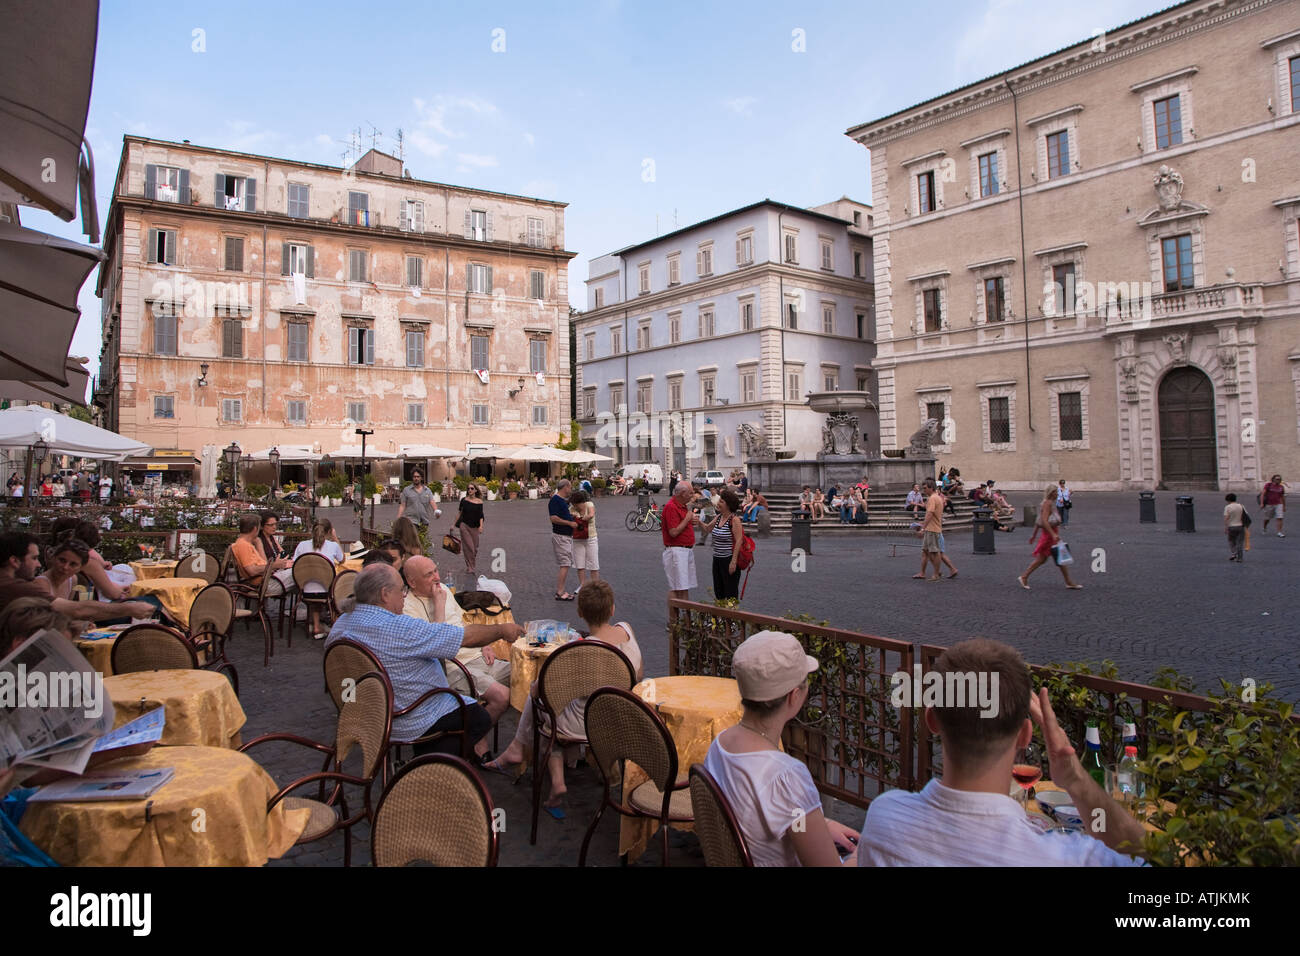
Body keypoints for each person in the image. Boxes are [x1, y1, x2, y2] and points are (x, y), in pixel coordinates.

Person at [859, 639, 1144, 866]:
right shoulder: (1070, 858)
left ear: (931, 720)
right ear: (1025, 735)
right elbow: (1147, 854)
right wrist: (1075, 778)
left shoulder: (884, 818)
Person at [327, 564, 522, 757]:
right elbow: (463, 638)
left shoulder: (341, 625)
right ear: (385, 594)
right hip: (408, 715)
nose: (403, 595)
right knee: (477, 718)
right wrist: (501, 630)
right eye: (401, 590)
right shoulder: (399, 627)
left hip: (365, 711)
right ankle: (430, 764)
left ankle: (433, 760)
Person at [705, 631, 859, 866]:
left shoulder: (720, 744)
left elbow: (772, 817)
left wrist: (821, 825)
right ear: (794, 696)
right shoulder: (786, 776)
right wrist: (866, 854)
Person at [486, 580, 641, 809]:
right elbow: (638, 675)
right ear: (612, 609)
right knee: (556, 702)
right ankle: (523, 752)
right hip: (619, 717)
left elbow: (541, 690)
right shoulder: (626, 630)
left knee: (543, 704)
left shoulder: (581, 651)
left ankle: (534, 762)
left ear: (580, 612)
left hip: (586, 723)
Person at [402, 555, 510, 759]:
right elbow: (437, 647)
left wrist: (484, 642)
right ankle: (469, 743)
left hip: (476, 655)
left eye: (435, 570)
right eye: (429, 575)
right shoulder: (408, 608)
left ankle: (523, 749)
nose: (436, 577)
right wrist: (439, 605)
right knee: (501, 696)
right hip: (453, 666)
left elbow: (463, 621)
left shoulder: (443, 589)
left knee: (525, 680)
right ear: (412, 582)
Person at [35, 538, 156, 623]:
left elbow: (67, 615)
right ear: (53, 558)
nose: (65, 567)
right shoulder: (41, 584)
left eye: (73, 564)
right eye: (62, 560)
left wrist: (81, 624)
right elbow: (75, 610)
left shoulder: (72, 579)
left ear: (80, 567)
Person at [1019, 486, 1082, 590]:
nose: (1057, 494)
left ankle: (1068, 582)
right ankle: (1024, 576)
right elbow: (1043, 520)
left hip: (1050, 534)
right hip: (1049, 536)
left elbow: (1039, 521)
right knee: (1046, 559)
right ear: (1052, 493)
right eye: (1056, 492)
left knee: (1057, 558)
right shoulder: (1048, 504)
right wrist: (1053, 534)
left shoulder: (1047, 503)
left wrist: (1034, 535)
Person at [294, 519, 345, 639]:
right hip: (326, 592)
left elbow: (295, 563)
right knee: (338, 585)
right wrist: (336, 538)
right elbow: (342, 559)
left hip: (305, 591)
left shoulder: (302, 545)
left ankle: (316, 624)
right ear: (328, 532)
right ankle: (335, 623)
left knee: (314, 584)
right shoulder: (332, 546)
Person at [700, 488, 744, 600]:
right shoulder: (718, 517)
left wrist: (733, 562)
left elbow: (739, 540)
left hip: (728, 559)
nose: (718, 503)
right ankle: (722, 616)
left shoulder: (734, 520)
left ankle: (732, 616)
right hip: (717, 559)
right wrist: (698, 521)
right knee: (719, 592)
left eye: (721, 502)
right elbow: (707, 528)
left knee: (730, 593)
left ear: (728, 505)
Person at [662, 480, 699, 601]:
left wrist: (690, 521)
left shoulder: (682, 506)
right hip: (677, 551)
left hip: (685, 550)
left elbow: (682, 525)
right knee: (677, 588)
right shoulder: (671, 507)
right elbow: (673, 532)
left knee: (684, 587)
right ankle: (676, 618)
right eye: (690, 493)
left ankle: (683, 618)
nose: (692, 495)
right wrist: (687, 519)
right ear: (683, 493)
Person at [232, 513, 291, 587]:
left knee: (299, 573)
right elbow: (252, 571)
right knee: (299, 573)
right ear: (255, 529)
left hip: (268, 578)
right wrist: (274, 565)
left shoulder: (245, 544)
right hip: (265, 584)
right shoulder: (243, 545)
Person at [0, 532, 54, 610]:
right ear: (14, 561)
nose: (39, 564)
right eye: (34, 558)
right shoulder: (17, 588)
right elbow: (75, 610)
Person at [548, 478, 578, 601]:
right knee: (564, 564)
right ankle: (560, 592)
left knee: (565, 563)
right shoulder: (555, 500)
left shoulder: (561, 501)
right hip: (561, 536)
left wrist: (571, 517)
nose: (570, 490)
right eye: (569, 487)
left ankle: (561, 590)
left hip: (565, 536)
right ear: (565, 487)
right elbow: (553, 518)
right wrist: (569, 523)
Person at [914, 479, 945, 582]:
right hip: (931, 528)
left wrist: (923, 528)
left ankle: (936, 574)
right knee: (926, 551)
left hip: (932, 529)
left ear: (931, 488)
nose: (924, 490)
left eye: (925, 488)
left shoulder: (932, 498)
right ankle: (927, 572)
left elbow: (930, 514)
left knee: (934, 552)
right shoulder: (937, 497)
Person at [569, 489, 599, 590]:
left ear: (582, 502)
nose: (576, 507)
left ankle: (595, 586)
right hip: (578, 539)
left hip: (591, 538)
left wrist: (585, 517)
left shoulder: (589, 504)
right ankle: (583, 585)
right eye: (574, 504)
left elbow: (591, 514)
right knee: (579, 563)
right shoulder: (572, 508)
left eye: (577, 504)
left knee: (593, 563)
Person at [456, 483, 485, 575]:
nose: (470, 490)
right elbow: (459, 513)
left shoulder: (480, 502)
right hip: (464, 525)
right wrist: (453, 525)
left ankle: (471, 564)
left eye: (472, 488)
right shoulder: (464, 500)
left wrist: (481, 526)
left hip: (475, 527)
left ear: (476, 490)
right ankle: (470, 567)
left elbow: (481, 515)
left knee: (475, 548)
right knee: (469, 547)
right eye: (468, 488)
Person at [1224, 493, 1247, 562]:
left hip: (1231, 527)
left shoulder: (1228, 507)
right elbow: (1245, 516)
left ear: (1228, 500)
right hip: (1240, 526)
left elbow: (1226, 518)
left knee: (1231, 541)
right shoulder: (1241, 506)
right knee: (1239, 542)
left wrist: (1226, 527)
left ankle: (1234, 553)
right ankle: (1240, 558)